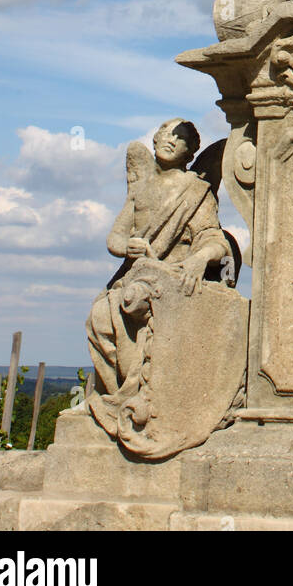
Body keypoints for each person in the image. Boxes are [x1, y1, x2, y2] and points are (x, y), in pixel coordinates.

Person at [87, 119, 231, 409]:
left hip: (171, 279)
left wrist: (199, 259)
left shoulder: (196, 190)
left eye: (181, 139)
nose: (171, 140)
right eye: (166, 134)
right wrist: (126, 246)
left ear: (191, 153)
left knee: (133, 302)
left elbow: (214, 240)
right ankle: (120, 392)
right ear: (155, 140)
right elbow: (115, 236)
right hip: (136, 274)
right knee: (99, 316)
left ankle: (142, 395)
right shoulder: (141, 189)